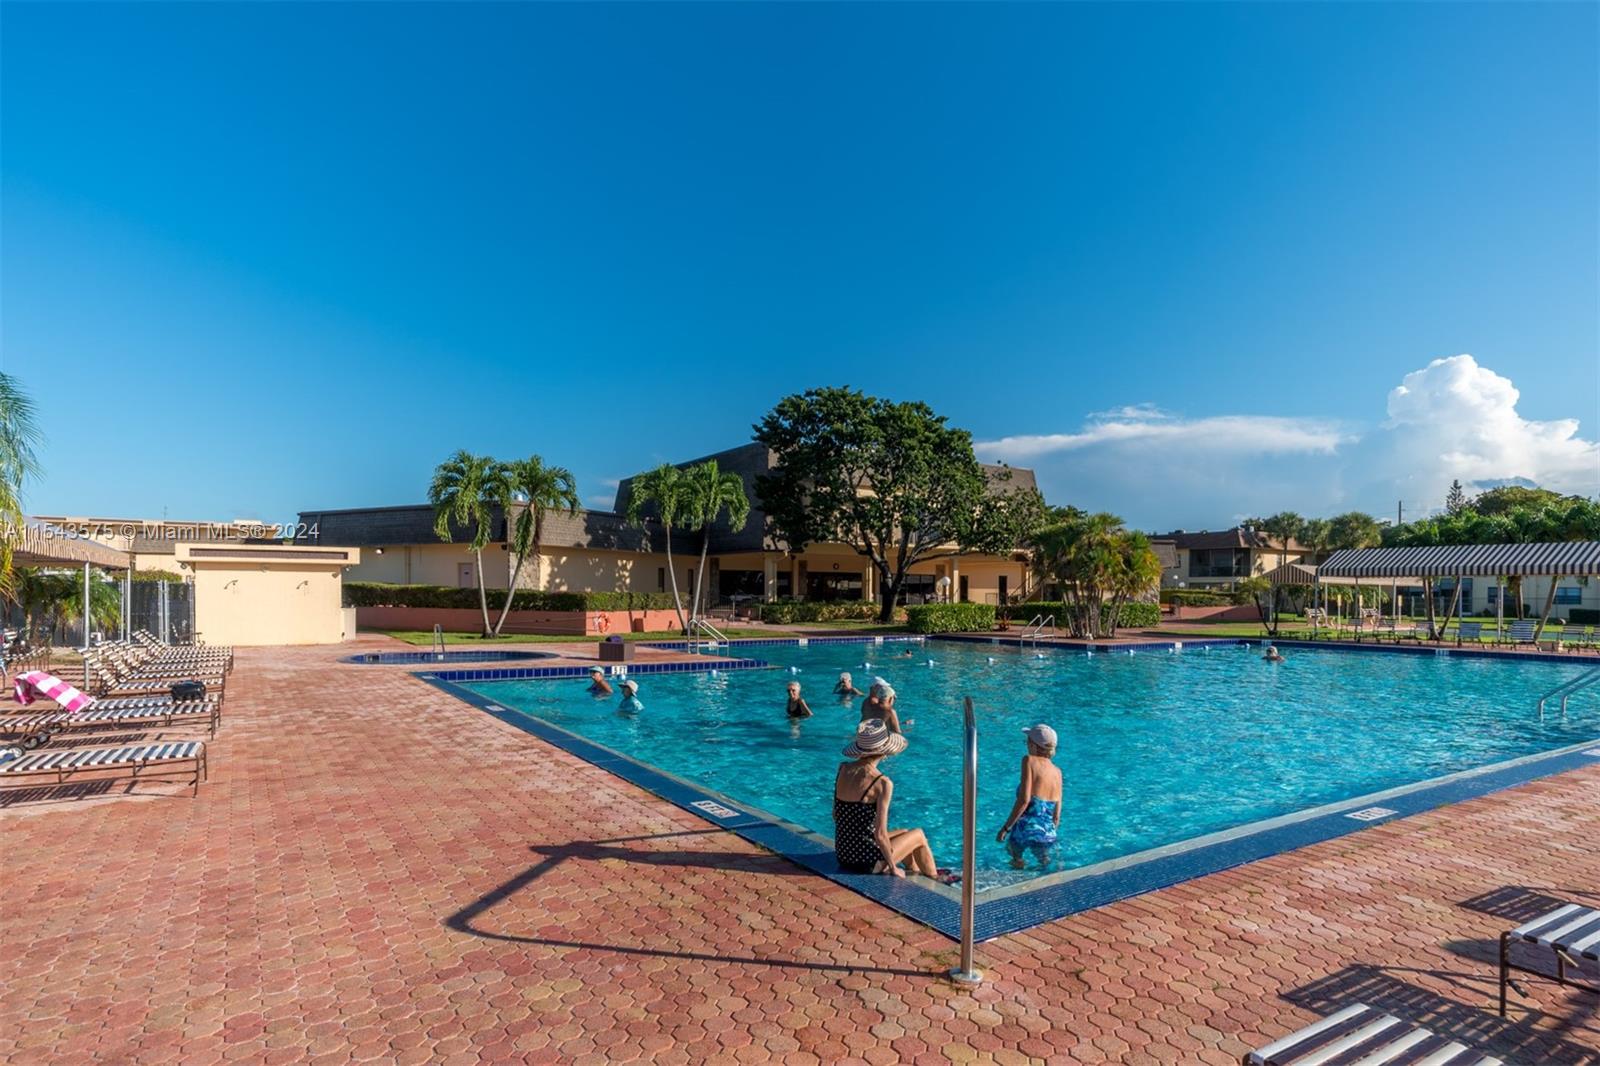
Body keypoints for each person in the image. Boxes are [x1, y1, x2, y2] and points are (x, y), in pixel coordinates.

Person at [833, 719, 939, 879]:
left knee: (904, 833)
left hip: (843, 854)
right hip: (867, 862)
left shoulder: (843, 769)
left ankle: (915, 872)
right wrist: (892, 867)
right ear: (885, 751)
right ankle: (934, 879)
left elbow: (836, 815)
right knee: (918, 835)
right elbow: (880, 834)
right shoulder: (882, 783)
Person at [996, 724, 1062, 869]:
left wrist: (1006, 828)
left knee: (1015, 858)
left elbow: (1024, 801)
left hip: (1026, 829)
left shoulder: (1029, 761)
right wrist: (1048, 833)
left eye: (1027, 741)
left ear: (1033, 745)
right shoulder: (1058, 772)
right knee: (1044, 865)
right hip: (1049, 832)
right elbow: (1056, 816)